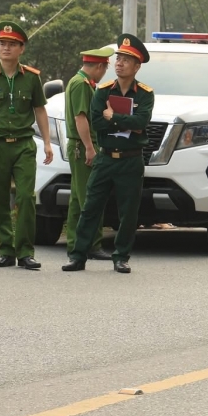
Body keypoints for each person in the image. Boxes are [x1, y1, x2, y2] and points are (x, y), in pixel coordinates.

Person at [62, 34, 154, 274]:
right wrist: (126, 123)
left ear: (137, 66)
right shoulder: (102, 91)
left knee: (129, 212)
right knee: (90, 207)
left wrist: (113, 117)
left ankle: (121, 256)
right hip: (105, 158)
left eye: (127, 59)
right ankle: (78, 255)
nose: (120, 62)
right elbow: (96, 122)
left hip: (131, 159)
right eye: (119, 58)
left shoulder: (145, 94)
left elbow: (142, 122)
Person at [0, 21, 53, 270]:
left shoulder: (32, 78)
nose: (6, 48)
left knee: (26, 197)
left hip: (24, 144)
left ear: (21, 49)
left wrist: (47, 143)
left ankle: (25, 251)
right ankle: (6, 250)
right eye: (2, 44)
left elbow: (40, 110)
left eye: (12, 44)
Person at [64, 45, 116, 259]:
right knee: (91, 198)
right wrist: (89, 148)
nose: (104, 73)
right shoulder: (82, 85)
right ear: (99, 66)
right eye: (104, 69)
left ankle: (75, 243)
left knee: (78, 199)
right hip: (82, 145)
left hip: (79, 145)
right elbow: (80, 117)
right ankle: (92, 245)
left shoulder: (80, 83)